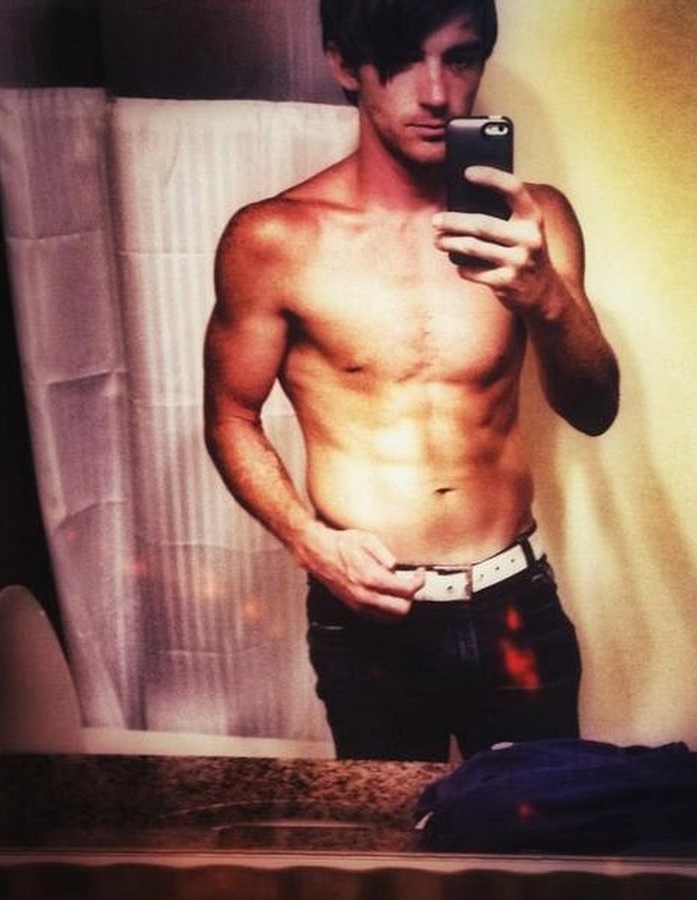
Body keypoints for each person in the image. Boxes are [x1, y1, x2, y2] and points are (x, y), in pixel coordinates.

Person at [203, 0, 619, 762]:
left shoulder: (534, 224)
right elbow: (230, 416)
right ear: (344, 64)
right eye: (402, 60)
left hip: (515, 608)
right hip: (370, 624)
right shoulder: (274, 239)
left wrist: (548, 299)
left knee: (540, 827)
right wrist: (308, 541)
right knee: (391, 834)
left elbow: (594, 409)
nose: (435, 93)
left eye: (460, 58)